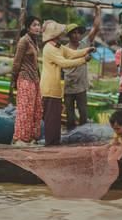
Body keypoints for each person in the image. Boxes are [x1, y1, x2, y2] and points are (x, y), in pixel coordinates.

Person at [40, 20, 94, 146]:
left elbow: (71, 53)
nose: (61, 35)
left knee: (56, 118)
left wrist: (87, 50)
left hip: (56, 88)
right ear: (54, 35)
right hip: (50, 88)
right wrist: (83, 60)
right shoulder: (49, 48)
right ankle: (51, 143)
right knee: (51, 118)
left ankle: (55, 142)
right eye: (59, 34)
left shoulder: (57, 46)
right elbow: (64, 63)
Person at [63, 6, 101, 130]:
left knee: (83, 115)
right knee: (70, 117)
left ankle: (83, 137)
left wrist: (97, 11)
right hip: (68, 87)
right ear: (69, 35)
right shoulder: (64, 49)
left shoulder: (84, 44)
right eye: (73, 33)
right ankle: (70, 139)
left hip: (81, 87)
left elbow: (95, 28)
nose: (76, 35)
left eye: (78, 32)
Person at [11, 16, 43, 146]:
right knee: (25, 110)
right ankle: (20, 139)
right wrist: (13, 80)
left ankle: (32, 137)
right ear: (28, 27)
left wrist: (39, 79)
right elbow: (16, 62)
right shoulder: (23, 41)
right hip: (25, 79)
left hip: (34, 79)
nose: (38, 27)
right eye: (35, 25)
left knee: (37, 109)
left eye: (39, 25)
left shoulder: (34, 41)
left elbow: (35, 64)